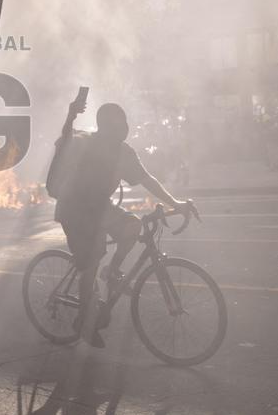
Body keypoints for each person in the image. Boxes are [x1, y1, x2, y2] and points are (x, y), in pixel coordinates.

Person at [48, 97, 193, 348]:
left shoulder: (124, 152)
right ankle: (83, 321)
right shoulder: (86, 143)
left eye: (123, 123)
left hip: (100, 208)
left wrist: (175, 203)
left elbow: (147, 179)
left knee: (133, 226)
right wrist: (71, 115)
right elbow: (66, 139)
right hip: (75, 210)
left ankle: (112, 271)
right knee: (91, 262)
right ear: (102, 127)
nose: (122, 129)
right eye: (115, 125)